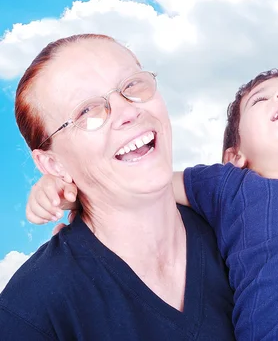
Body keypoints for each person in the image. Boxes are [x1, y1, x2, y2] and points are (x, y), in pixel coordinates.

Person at [26, 69, 278, 340]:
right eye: (261, 100)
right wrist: (68, 182)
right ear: (234, 155)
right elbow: (133, 184)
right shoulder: (226, 187)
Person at [0, 34, 235, 340]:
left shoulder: (241, 232)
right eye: (86, 111)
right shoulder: (32, 311)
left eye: (132, 85)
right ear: (54, 165)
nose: (127, 111)